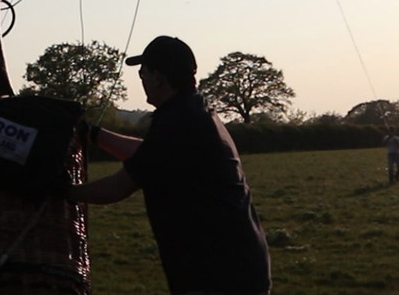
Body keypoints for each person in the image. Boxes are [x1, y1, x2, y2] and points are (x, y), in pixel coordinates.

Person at [65, 36, 271, 295]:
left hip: (219, 273)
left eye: (143, 72)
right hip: (234, 265)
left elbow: (117, 188)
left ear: (159, 78)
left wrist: (62, 191)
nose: (141, 79)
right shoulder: (192, 110)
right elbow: (149, 155)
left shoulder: (179, 123)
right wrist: (94, 135)